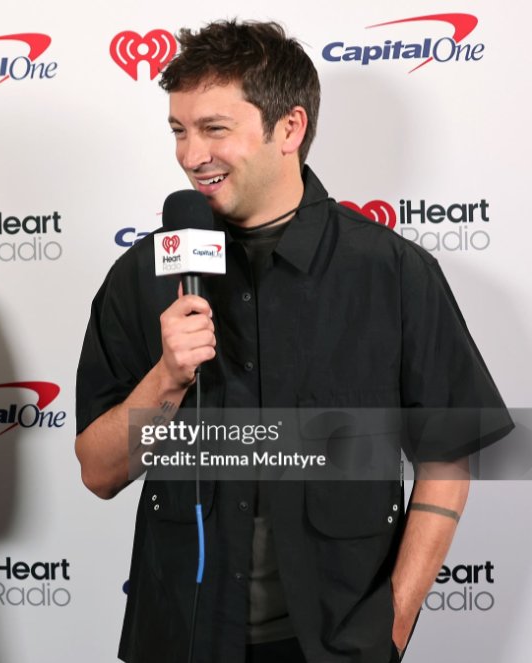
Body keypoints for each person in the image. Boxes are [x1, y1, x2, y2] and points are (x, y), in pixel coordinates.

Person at [75, 20, 512, 663]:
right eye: (179, 130)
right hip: (180, 640)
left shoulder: (390, 272)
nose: (192, 155)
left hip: (332, 645)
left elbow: (447, 460)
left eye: (214, 129)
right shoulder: (143, 275)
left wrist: (392, 625)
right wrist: (166, 377)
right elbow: (98, 471)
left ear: (290, 128)